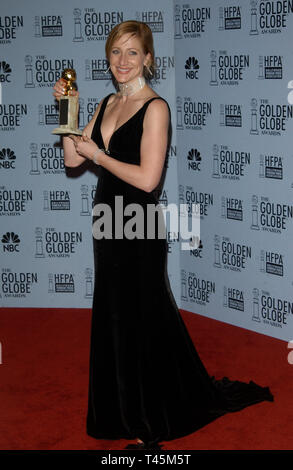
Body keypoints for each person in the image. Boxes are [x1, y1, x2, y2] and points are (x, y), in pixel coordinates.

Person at [53, 20, 273, 450]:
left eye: (133, 52)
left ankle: (150, 411)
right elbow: (72, 161)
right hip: (106, 219)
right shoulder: (104, 103)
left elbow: (150, 179)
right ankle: (119, 409)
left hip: (138, 223)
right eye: (116, 51)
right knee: (115, 314)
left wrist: (100, 154)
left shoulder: (156, 108)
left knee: (144, 314)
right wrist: (68, 109)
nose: (123, 61)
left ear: (148, 59)